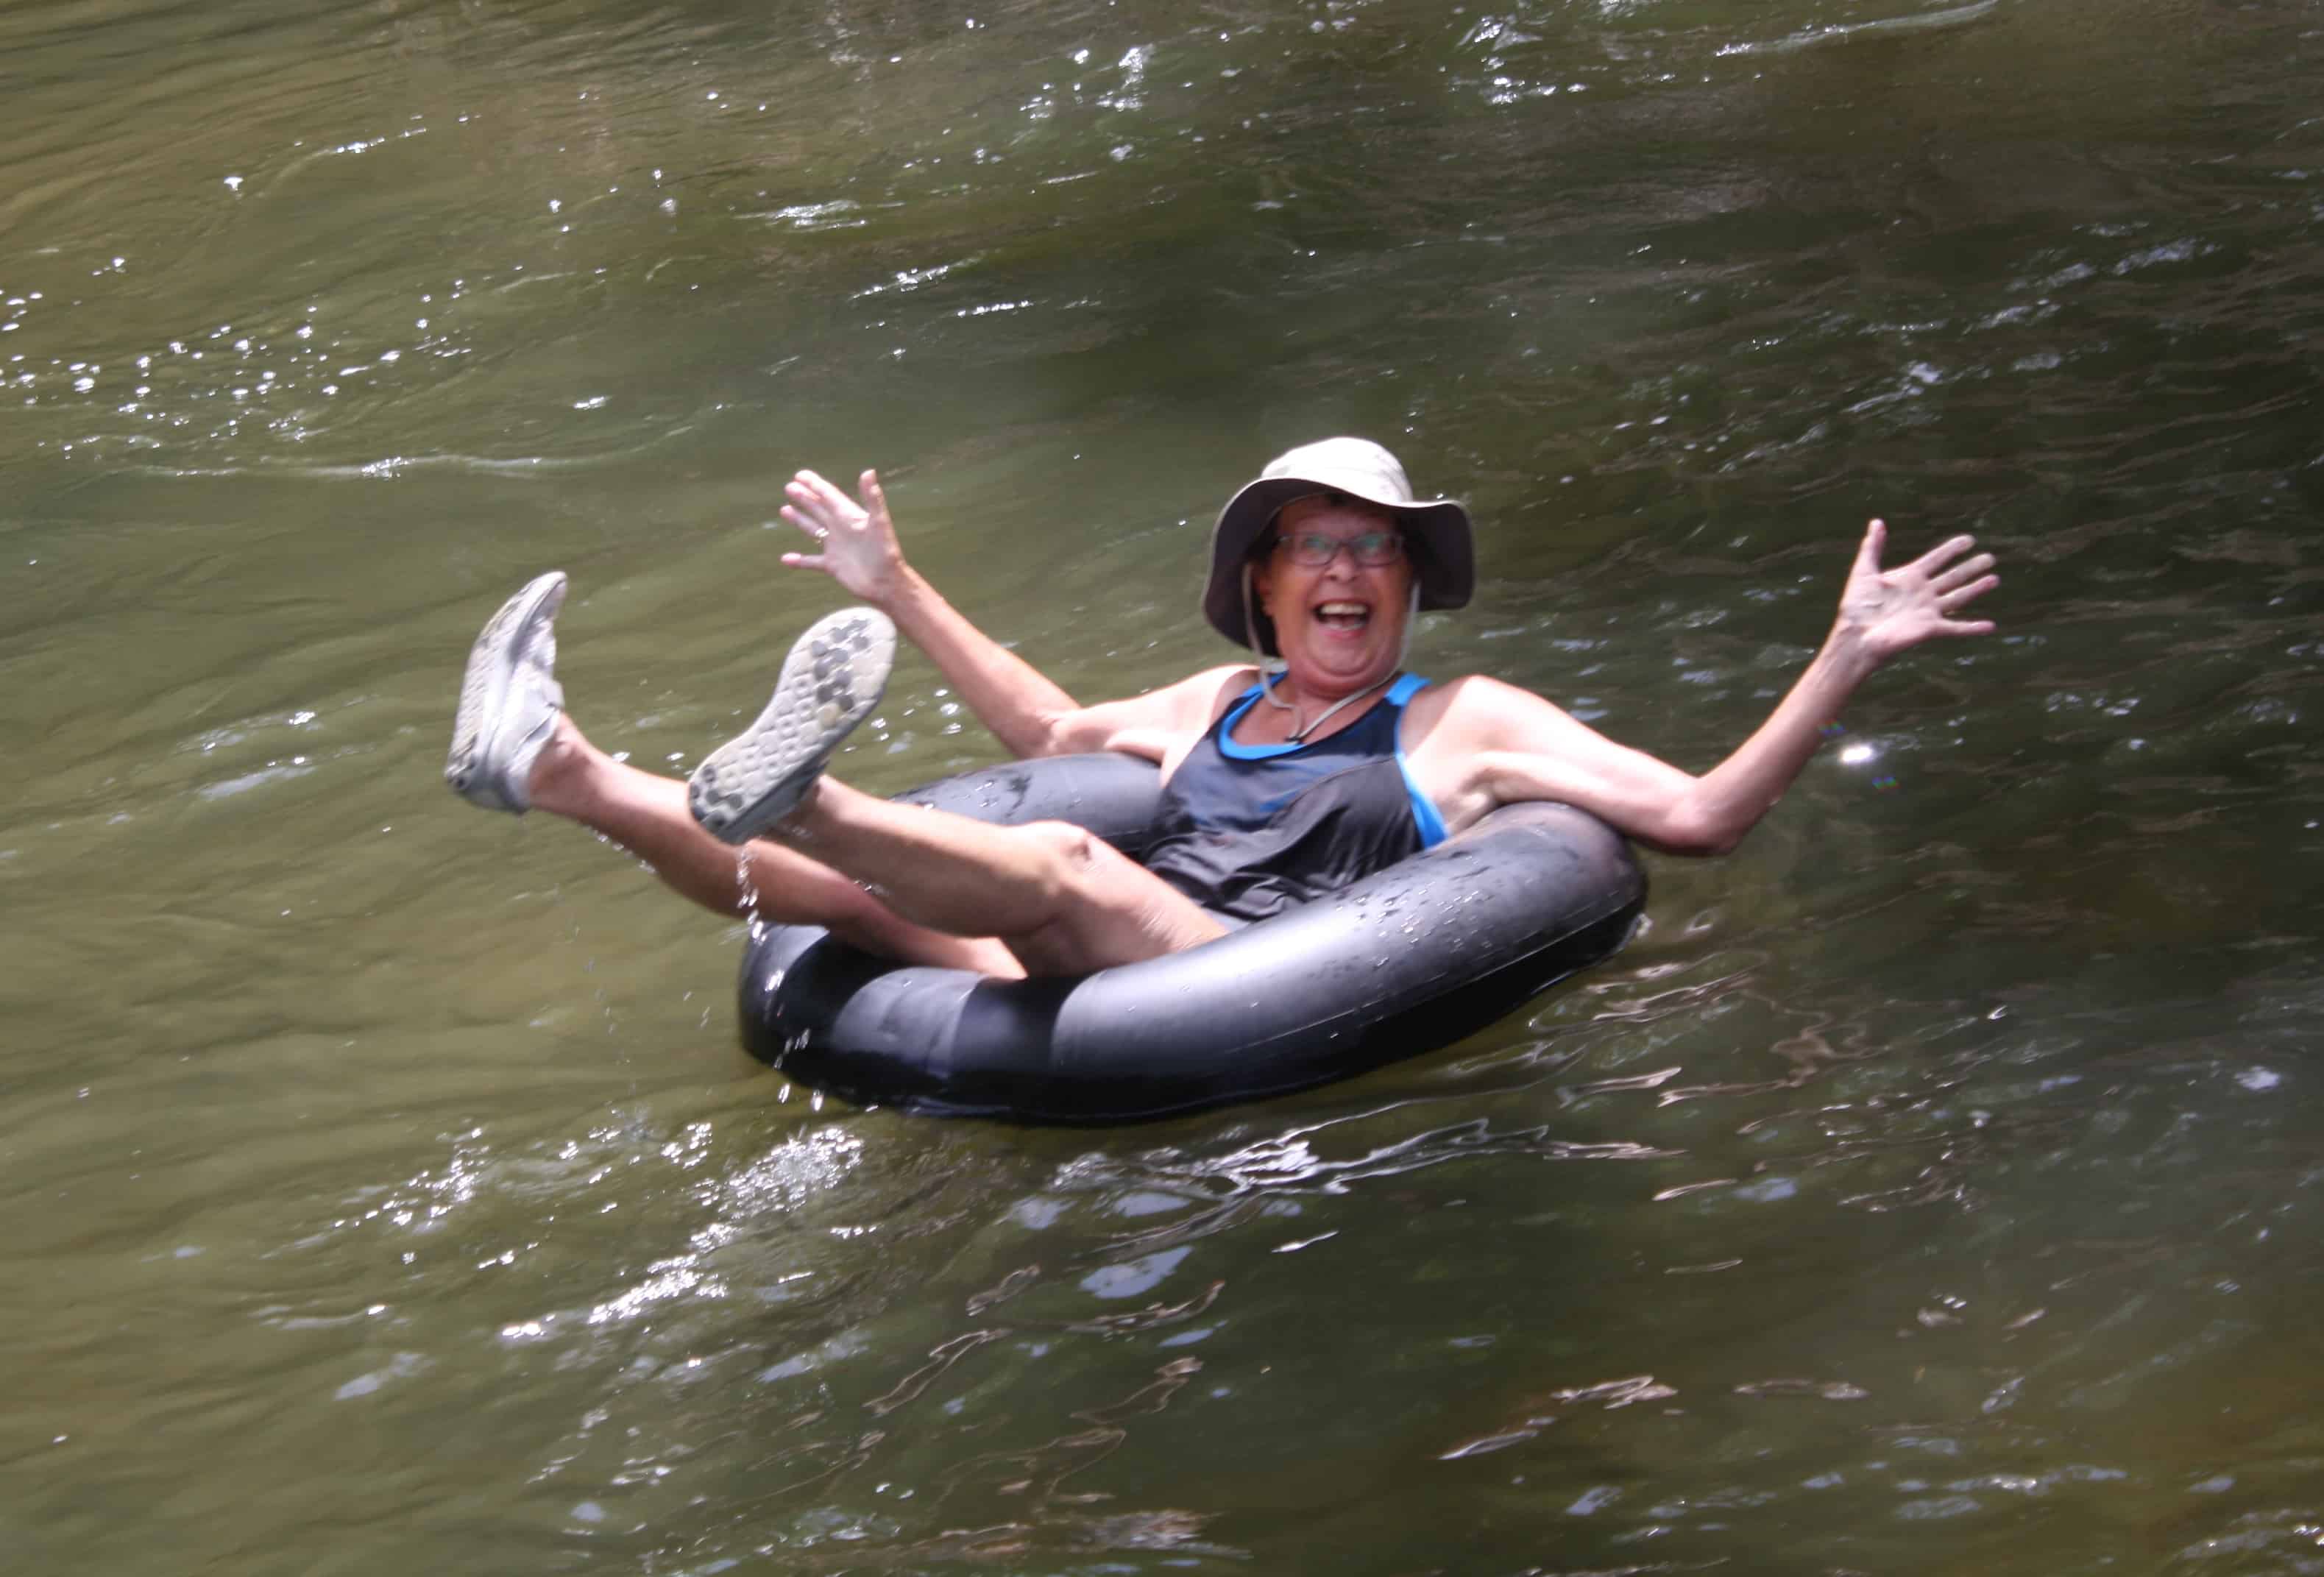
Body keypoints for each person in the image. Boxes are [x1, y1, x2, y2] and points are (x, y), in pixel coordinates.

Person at [445, 438, 1997, 981]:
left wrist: (1844, 651)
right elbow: (1052, 738)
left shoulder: (1465, 717)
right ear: (1264, 583)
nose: (1345, 570)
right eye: (1314, 546)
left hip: (1235, 966)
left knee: (1064, 866)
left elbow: (1701, 816)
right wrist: (895, 585)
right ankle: (558, 766)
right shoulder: (1217, 696)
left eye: (1374, 549)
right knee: (838, 900)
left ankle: (803, 789)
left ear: (1408, 587)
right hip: (1099, 960)